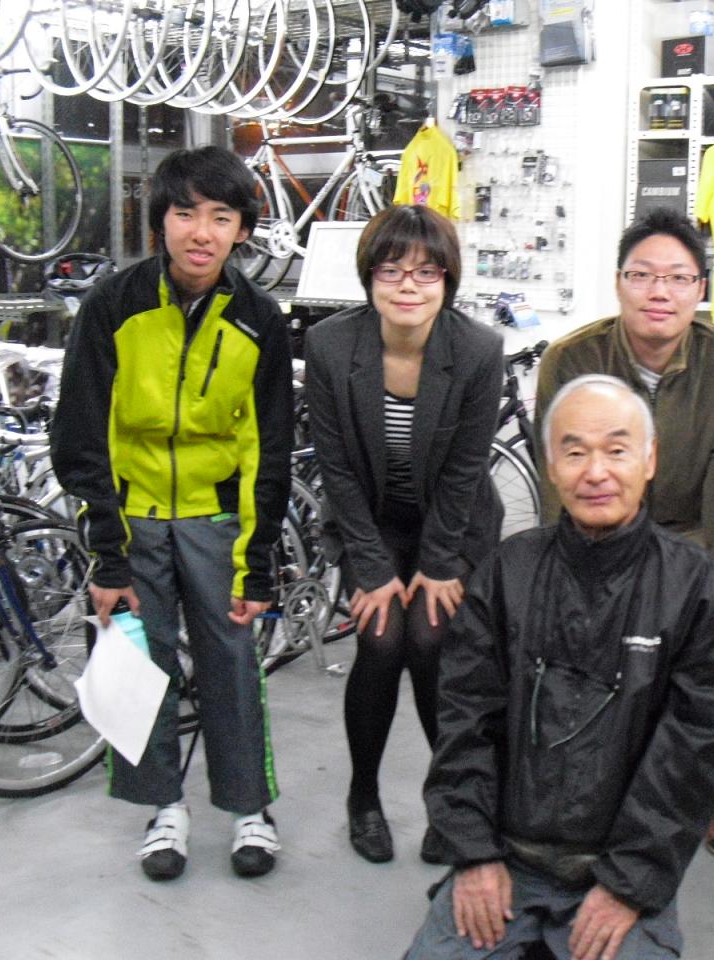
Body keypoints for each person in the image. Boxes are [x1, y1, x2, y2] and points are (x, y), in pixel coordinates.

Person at [405, 375, 714, 960]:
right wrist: (476, 855)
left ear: (649, 460)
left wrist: (627, 885)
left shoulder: (696, 589)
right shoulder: (506, 573)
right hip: (505, 856)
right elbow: (464, 723)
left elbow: (689, 755)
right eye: (575, 451)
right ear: (550, 467)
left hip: (617, 869)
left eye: (616, 450)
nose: (596, 472)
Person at [50, 145, 294, 881]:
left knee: (231, 663)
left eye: (221, 217)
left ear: (242, 230)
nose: (201, 232)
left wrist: (257, 563)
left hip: (216, 522)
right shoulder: (113, 306)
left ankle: (249, 809)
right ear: (161, 221)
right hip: (133, 520)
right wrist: (108, 556)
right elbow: (82, 435)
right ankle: (163, 809)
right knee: (137, 662)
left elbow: (267, 451)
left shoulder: (259, 320)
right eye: (186, 213)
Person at [533, 207, 714, 859]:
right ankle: (588, 780)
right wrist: (566, 578)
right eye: (642, 275)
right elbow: (559, 482)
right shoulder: (571, 359)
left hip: (693, 538)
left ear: (700, 289)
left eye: (678, 277)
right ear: (618, 283)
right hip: (597, 537)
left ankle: (705, 786)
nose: (659, 292)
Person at [303, 204, 504, 866]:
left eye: (426, 271)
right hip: (371, 521)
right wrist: (371, 568)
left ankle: (450, 803)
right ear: (369, 277)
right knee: (382, 638)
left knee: (431, 639)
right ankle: (363, 798)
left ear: (448, 279)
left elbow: (466, 471)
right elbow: (336, 468)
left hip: (455, 523)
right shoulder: (330, 346)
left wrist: (440, 562)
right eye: (391, 270)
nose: (408, 285)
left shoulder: (478, 351)